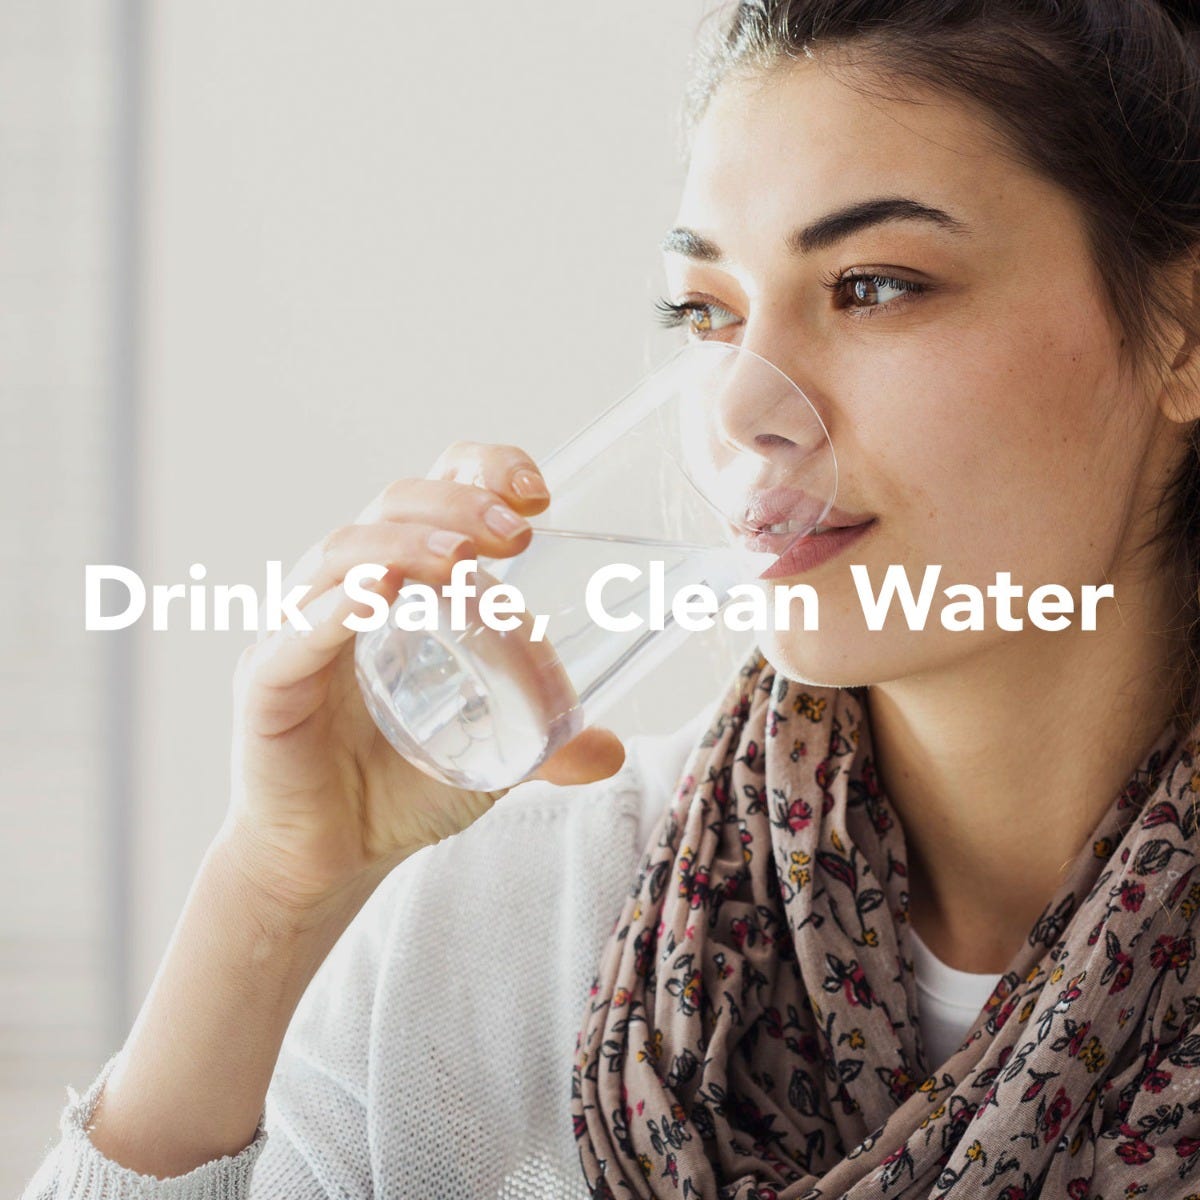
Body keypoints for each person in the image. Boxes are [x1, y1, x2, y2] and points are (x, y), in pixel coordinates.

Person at [23, 0, 1200, 1196]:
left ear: (1183, 331)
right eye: (707, 313)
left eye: (874, 286)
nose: (741, 408)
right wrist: (272, 894)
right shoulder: (509, 916)